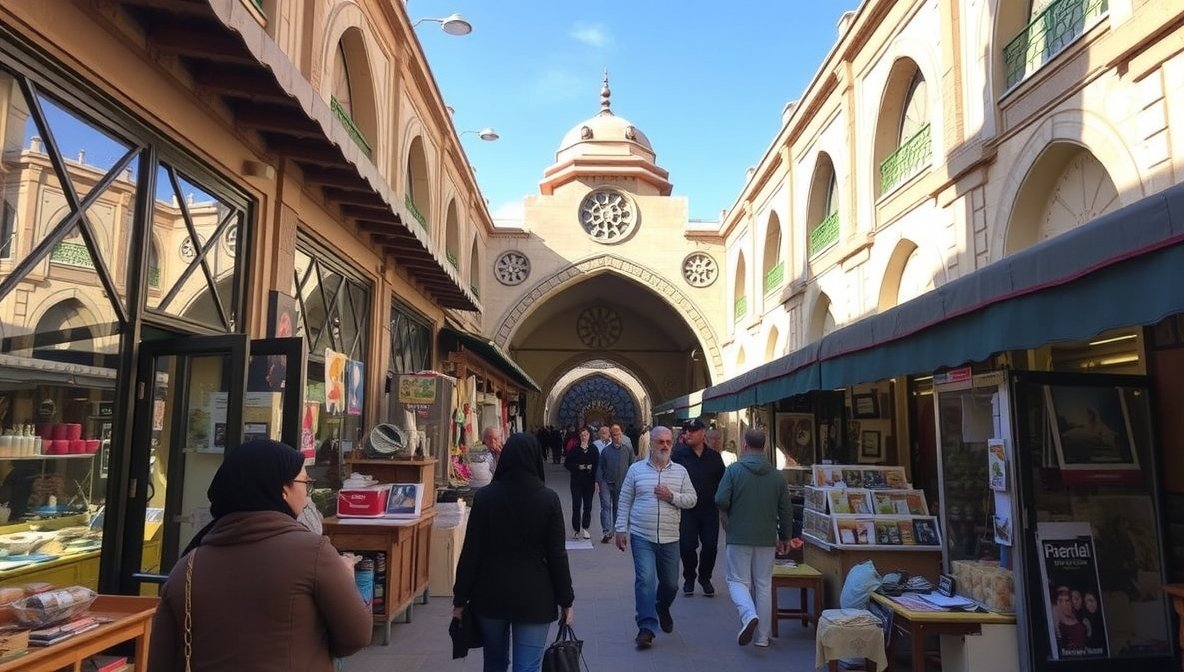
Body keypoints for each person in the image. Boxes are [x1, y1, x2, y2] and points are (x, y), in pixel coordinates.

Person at [147, 439, 372, 672]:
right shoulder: (312, 553)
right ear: (283, 489)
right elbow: (356, 636)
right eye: (306, 482)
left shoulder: (187, 567)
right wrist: (347, 579)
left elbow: (161, 660)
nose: (307, 493)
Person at [453, 433, 575, 672]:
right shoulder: (548, 499)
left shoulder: (485, 498)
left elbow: (471, 552)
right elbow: (557, 555)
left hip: (490, 593)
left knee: (495, 662)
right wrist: (566, 600)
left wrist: (460, 598)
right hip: (535, 595)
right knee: (527, 666)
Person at [614, 426, 697, 649]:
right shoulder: (636, 470)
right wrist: (621, 529)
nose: (665, 446)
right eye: (660, 441)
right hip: (642, 535)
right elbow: (624, 500)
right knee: (645, 580)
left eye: (668, 442)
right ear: (651, 444)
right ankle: (646, 628)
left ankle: (662, 607)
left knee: (670, 584)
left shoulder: (680, 472)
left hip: (671, 537)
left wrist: (672, 497)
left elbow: (692, 499)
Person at [715, 429, 793, 647]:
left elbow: (721, 498)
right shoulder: (777, 475)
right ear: (765, 447)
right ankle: (763, 637)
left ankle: (748, 615)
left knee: (737, 580)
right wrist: (786, 536)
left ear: (744, 444)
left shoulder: (734, 471)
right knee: (763, 584)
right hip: (767, 536)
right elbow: (786, 509)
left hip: (738, 533)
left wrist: (728, 514)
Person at [672, 417, 726, 597]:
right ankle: (689, 577)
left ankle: (705, 577)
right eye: (686, 430)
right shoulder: (679, 456)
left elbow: (723, 482)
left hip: (709, 509)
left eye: (692, 430)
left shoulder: (715, 458)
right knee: (687, 546)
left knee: (710, 546)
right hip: (687, 510)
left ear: (703, 433)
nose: (687, 433)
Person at [596, 424, 635, 543]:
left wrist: (632, 482)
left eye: (618, 434)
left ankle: (615, 530)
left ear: (621, 435)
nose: (617, 437)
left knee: (618, 507)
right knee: (606, 506)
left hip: (622, 483)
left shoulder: (627, 449)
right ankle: (607, 531)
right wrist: (598, 482)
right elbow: (600, 467)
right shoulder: (606, 451)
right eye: (614, 435)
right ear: (610, 437)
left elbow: (632, 466)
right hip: (606, 483)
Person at [564, 427, 599, 539]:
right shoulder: (575, 449)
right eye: (582, 435)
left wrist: (596, 480)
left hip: (589, 482)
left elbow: (597, 466)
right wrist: (577, 467)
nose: (584, 437)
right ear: (579, 436)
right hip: (576, 481)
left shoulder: (593, 449)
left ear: (589, 436)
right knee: (576, 505)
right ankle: (576, 529)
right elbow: (567, 463)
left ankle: (585, 527)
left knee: (588, 506)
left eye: (586, 435)